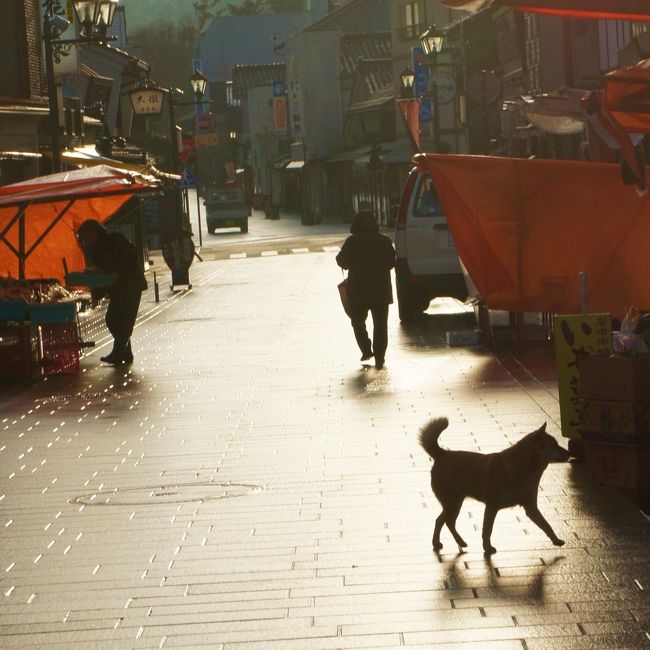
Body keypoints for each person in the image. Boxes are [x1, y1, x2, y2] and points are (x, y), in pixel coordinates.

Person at [76, 219, 147, 365]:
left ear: (94, 231)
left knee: (117, 320)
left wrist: (118, 273)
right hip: (116, 288)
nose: (86, 240)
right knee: (118, 320)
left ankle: (119, 352)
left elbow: (131, 257)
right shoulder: (94, 250)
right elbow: (103, 275)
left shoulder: (115, 240)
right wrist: (95, 294)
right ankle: (125, 353)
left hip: (131, 285)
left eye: (87, 236)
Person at [336, 210, 396, 369]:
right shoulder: (384, 241)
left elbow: (342, 261)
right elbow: (392, 262)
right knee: (381, 324)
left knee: (357, 321)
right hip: (380, 290)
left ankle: (366, 349)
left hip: (358, 289)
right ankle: (380, 356)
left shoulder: (352, 242)